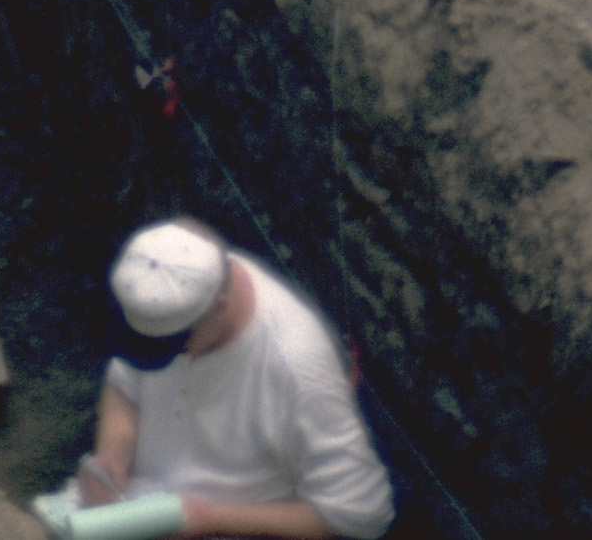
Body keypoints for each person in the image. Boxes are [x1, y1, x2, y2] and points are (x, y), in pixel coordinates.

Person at [72, 219, 394, 540]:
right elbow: (126, 380)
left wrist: (210, 519)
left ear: (219, 306)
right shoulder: (177, 281)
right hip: (134, 511)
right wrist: (112, 459)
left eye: (173, 348)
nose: (167, 356)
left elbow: (363, 514)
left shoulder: (299, 373)